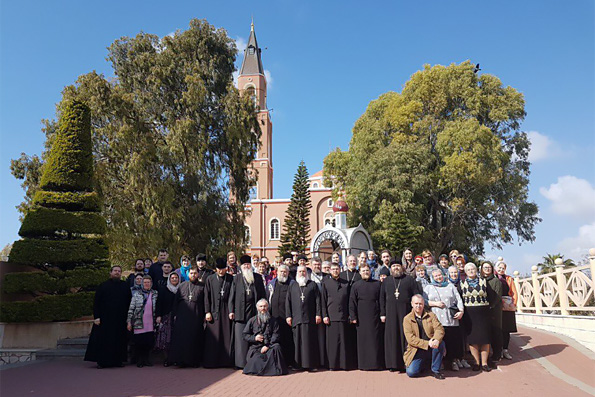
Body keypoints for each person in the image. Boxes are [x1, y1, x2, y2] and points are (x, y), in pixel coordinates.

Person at [84, 266, 132, 369]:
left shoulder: (125, 286)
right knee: (103, 340)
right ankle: (102, 362)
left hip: (120, 319)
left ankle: (118, 361)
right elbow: (97, 303)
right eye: (115, 271)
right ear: (110, 273)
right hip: (105, 319)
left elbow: (129, 303)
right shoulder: (103, 286)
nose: (117, 273)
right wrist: (96, 317)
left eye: (119, 271)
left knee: (119, 340)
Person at [380, 261, 420, 372]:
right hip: (390, 313)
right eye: (393, 266)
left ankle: (405, 362)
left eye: (398, 266)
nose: (396, 268)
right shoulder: (386, 281)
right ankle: (392, 364)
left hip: (406, 313)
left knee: (405, 337)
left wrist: (415, 312)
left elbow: (416, 295)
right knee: (392, 338)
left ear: (401, 267)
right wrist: (382, 313)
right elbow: (381, 298)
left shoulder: (409, 280)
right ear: (391, 268)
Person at [229, 255, 267, 368]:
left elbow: (263, 295)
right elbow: (232, 296)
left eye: (248, 264)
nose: (246, 266)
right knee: (240, 340)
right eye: (244, 265)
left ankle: (253, 362)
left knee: (255, 338)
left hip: (254, 313)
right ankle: (240, 363)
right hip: (240, 313)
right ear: (241, 266)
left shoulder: (258, 278)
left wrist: (263, 309)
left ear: (251, 265)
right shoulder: (236, 278)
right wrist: (231, 311)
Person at [423, 269, 464, 371]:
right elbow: (424, 301)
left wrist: (461, 311)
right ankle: (439, 362)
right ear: (432, 277)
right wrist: (435, 304)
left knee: (452, 342)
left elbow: (458, 299)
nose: (438, 277)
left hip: (450, 319)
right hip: (436, 320)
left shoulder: (450, 286)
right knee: (439, 342)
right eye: (435, 276)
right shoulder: (428, 287)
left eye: (439, 275)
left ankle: (452, 361)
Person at [321, 263, 357, 370]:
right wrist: (324, 315)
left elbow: (350, 301)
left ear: (340, 270)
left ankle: (344, 364)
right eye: (333, 269)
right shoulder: (326, 283)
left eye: (337, 269)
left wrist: (351, 315)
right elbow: (323, 301)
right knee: (332, 343)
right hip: (331, 317)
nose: (335, 271)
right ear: (330, 271)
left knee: (344, 342)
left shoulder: (346, 283)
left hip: (344, 316)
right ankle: (332, 365)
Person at [286, 265, 322, 371]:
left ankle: (311, 365)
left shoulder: (312, 285)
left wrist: (318, 314)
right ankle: (298, 365)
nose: (302, 273)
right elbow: (288, 301)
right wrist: (288, 316)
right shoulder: (293, 285)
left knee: (309, 342)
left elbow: (318, 301)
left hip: (309, 318)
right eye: (300, 271)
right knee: (297, 343)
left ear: (307, 273)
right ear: (297, 273)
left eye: (304, 271)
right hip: (296, 318)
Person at [349, 263, 384, 370]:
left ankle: (376, 364)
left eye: (367, 271)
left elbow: (382, 300)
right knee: (362, 341)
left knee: (375, 341)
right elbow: (352, 302)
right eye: (363, 271)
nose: (365, 272)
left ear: (370, 272)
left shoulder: (377, 284)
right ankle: (363, 364)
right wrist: (353, 317)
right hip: (361, 318)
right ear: (360, 272)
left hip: (374, 316)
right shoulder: (356, 285)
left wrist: (382, 313)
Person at [169, 267, 205, 367]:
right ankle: (181, 361)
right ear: (188, 274)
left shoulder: (202, 286)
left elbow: (205, 302)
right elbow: (176, 302)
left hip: (196, 315)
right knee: (182, 339)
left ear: (198, 274)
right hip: (182, 316)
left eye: (195, 273)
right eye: (191, 273)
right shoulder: (182, 286)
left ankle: (194, 362)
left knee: (194, 338)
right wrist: (174, 315)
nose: (193, 275)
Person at [403, 295, 446, 379]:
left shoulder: (431, 315)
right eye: (416, 304)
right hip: (416, 349)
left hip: (432, 346)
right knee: (412, 372)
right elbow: (410, 339)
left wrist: (436, 339)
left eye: (420, 304)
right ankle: (424, 365)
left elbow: (439, 329)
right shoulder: (407, 319)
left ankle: (436, 370)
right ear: (412, 304)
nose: (418, 306)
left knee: (441, 343)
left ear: (423, 304)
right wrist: (427, 343)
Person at [242, 299, 289, 376]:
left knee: (277, 348)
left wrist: (267, 345)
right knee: (256, 357)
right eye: (261, 306)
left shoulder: (273, 320)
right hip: (257, 346)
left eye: (265, 306)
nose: (263, 308)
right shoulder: (252, 320)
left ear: (268, 307)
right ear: (257, 308)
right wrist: (255, 338)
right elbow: (245, 335)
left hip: (270, 345)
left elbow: (276, 334)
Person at [459, 263, 492, 372]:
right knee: (473, 340)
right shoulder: (462, 283)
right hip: (469, 314)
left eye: (473, 269)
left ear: (476, 270)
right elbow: (459, 299)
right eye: (468, 269)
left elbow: (492, 296)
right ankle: (476, 362)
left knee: (485, 339)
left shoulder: (484, 281)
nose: (471, 271)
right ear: (465, 271)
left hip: (483, 314)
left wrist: (489, 308)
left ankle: (485, 363)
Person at [203, 258, 234, 368]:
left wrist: (232, 310)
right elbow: (206, 296)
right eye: (218, 269)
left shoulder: (230, 278)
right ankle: (212, 361)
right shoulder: (210, 279)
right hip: (213, 309)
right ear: (215, 269)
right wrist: (207, 311)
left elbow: (233, 296)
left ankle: (225, 361)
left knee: (226, 335)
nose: (220, 271)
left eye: (222, 269)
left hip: (226, 310)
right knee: (213, 337)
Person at [127, 276, 158, 367]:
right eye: (145, 282)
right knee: (139, 342)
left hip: (150, 322)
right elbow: (131, 308)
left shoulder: (155, 293)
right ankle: (140, 360)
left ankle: (146, 359)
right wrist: (129, 321)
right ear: (142, 284)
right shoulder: (137, 294)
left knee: (148, 342)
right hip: (139, 321)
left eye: (148, 282)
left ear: (151, 283)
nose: (147, 284)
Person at [268, 264, 295, 367]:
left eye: (285, 272)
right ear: (277, 272)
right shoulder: (271, 284)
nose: (283, 273)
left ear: (288, 273)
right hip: (274, 318)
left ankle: (288, 362)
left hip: (287, 318)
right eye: (281, 271)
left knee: (288, 340)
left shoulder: (292, 284)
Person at [481, 262, 503, 368]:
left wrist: (491, 305)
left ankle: (497, 354)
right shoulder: (480, 280)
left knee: (496, 331)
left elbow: (498, 295)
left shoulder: (496, 281)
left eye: (489, 267)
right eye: (485, 267)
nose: (487, 269)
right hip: (483, 310)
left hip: (494, 309)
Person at [155, 272, 179, 366]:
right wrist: (158, 315)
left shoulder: (181, 289)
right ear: (169, 279)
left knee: (175, 338)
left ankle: (175, 359)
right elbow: (159, 303)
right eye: (172, 278)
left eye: (176, 278)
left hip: (177, 317)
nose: (174, 279)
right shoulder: (164, 289)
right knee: (166, 339)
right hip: (165, 317)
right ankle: (167, 359)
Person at [495, 260, 517, 360]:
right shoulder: (493, 278)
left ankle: (505, 350)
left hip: (507, 305)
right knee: (498, 329)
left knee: (506, 329)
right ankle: (497, 350)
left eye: (503, 268)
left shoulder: (508, 279)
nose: (501, 270)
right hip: (496, 306)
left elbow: (513, 292)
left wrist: (514, 304)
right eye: (499, 267)